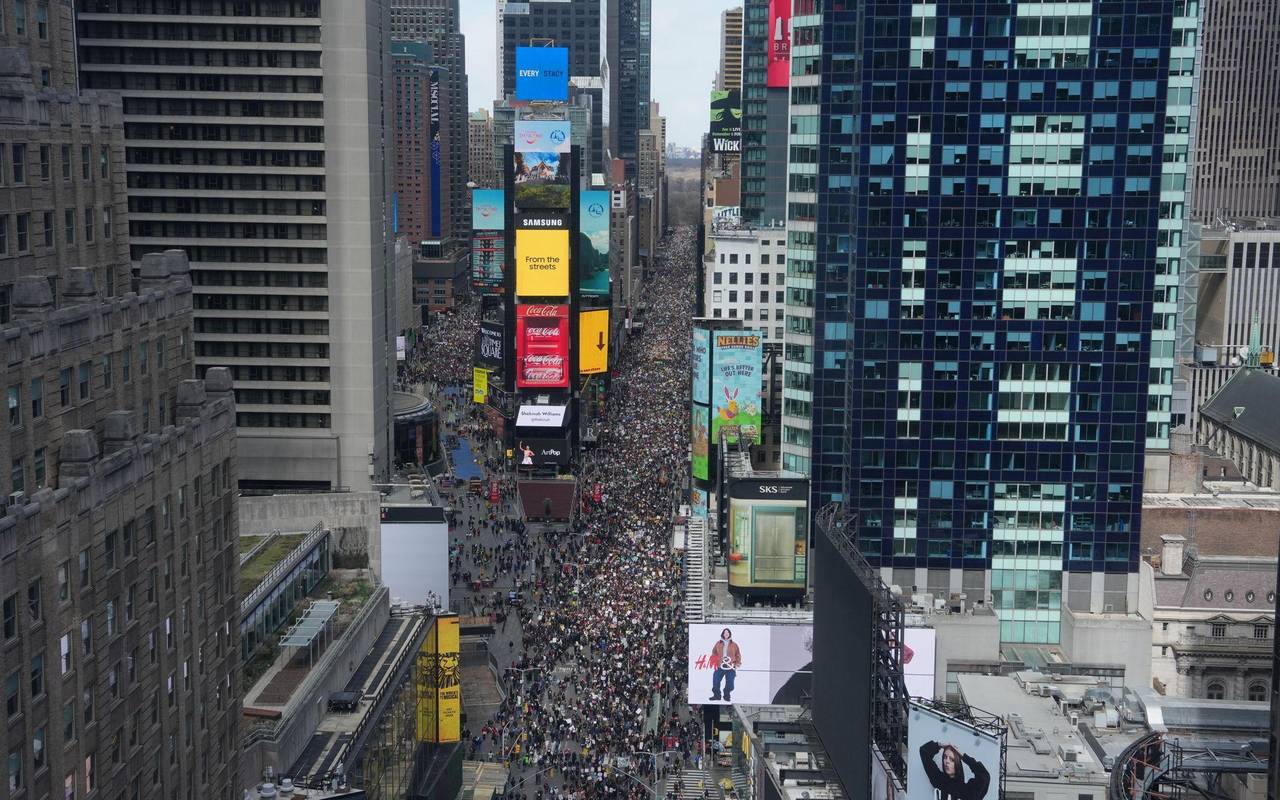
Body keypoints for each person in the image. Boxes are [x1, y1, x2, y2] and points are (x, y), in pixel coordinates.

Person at [918, 740, 991, 800]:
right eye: (945, 757)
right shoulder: (939, 781)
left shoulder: (967, 790)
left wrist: (963, 756)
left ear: (957, 762)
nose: (947, 761)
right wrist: (940, 745)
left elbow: (985, 777)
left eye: (952, 759)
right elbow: (924, 751)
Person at [708, 628, 741, 702]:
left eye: (727, 632)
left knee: (730, 685)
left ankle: (726, 694)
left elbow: (738, 655)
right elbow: (714, 652)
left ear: (729, 634)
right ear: (722, 634)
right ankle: (717, 695)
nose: (726, 634)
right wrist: (715, 661)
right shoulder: (718, 643)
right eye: (725, 632)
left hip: (730, 667)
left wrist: (737, 663)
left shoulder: (734, 644)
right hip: (720, 666)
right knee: (716, 681)